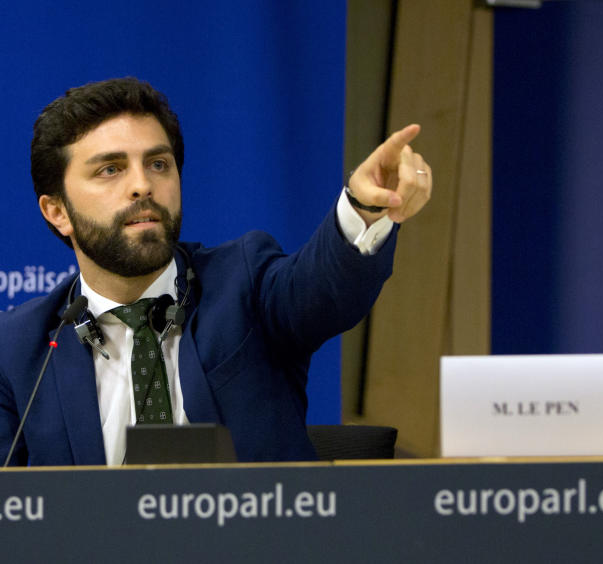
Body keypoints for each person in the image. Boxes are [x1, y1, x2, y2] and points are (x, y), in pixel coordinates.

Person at [0, 77, 432, 466]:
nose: (143, 185)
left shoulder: (244, 283)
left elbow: (322, 290)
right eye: (110, 169)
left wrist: (365, 209)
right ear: (57, 212)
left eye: (158, 164)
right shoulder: (19, 351)